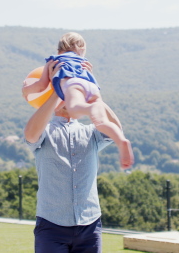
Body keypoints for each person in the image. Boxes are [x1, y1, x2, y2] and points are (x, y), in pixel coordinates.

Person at [24, 61, 133, 253]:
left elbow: (116, 129)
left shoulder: (90, 132)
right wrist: (57, 91)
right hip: (51, 226)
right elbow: (30, 135)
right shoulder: (45, 131)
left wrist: (92, 90)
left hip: (89, 225)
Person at [23, 32, 133, 169]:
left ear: (58, 50)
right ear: (81, 51)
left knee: (75, 109)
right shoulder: (82, 63)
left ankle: (90, 108)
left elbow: (40, 85)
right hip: (91, 86)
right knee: (100, 118)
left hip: (74, 87)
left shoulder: (54, 62)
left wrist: (32, 88)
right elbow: (31, 135)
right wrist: (88, 87)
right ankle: (120, 140)